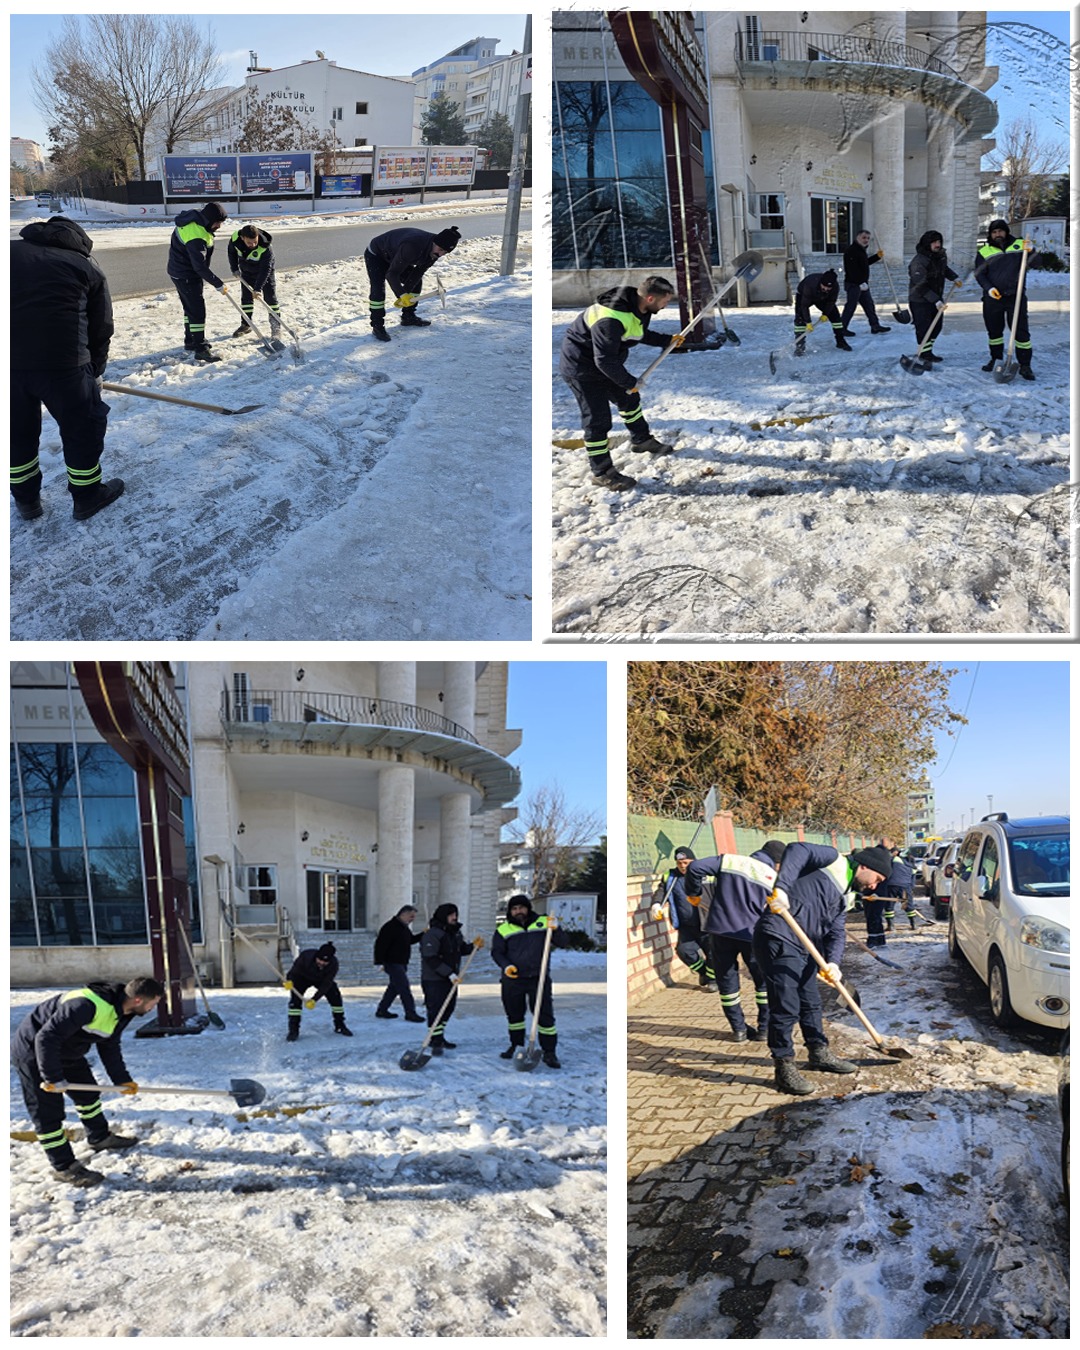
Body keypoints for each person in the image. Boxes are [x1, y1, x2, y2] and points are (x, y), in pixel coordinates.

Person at [754, 842, 893, 1094]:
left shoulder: (845, 894)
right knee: (786, 1006)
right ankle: (783, 1066)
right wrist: (782, 889)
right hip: (779, 936)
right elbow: (796, 849)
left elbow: (837, 932)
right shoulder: (832, 859)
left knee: (811, 1002)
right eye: (877, 878)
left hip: (807, 947)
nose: (875, 885)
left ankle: (818, 1052)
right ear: (865, 866)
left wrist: (833, 962)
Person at [10, 215, 123, 522]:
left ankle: (26, 501)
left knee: (16, 432)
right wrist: (95, 370)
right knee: (82, 429)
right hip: (64, 367)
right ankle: (87, 497)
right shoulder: (86, 267)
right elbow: (101, 328)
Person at [10, 976, 165, 1187]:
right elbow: (46, 1038)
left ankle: (99, 1137)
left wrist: (122, 1080)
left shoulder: (122, 1010)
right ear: (138, 1000)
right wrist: (53, 1078)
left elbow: (109, 1045)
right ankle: (64, 1167)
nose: (152, 1009)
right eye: (153, 1004)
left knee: (88, 1095)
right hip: (34, 1053)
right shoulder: (85, 1005)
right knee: (48, 1113)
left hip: (67, 1051)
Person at [559, 275, 683, 491]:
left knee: (629, 399)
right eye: (665, 301)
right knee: (597, 421)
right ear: (651, 298)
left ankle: (641, 440)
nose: (666, 306)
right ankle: (602, 472)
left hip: (605, 363)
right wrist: (628, 381)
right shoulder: (610, 319)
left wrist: (666, 340)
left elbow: (636, 332)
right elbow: (604, 359)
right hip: (582, 369)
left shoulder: (638, 307)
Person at [685, 841, 786, 1042]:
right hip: (753, 934)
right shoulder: (773, 877)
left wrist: (693, 893)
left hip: (721, 931)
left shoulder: (731, 861)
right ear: (777, 862)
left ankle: (738, 1030)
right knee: (763, 981)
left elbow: (695, 867)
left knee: (727, 980)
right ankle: (764, 1029)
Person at [492, 895, 569, 1068]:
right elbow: (497, 952)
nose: (518, 911)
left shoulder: (543, 923)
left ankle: (549, 1052)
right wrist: (506, 966)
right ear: (510, 911)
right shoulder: (503, 929)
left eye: (521, 907)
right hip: (513, 979)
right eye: (514, 908)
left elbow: (563, 942)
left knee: (545, 1017)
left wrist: (556, 929)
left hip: (538, 978)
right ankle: (516, 1046)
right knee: (515, 1016)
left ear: (528, 908)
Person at [364, 224, 460, 341]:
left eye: (445, 252)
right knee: (378, 290)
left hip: (397, 255)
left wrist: (407, 293)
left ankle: (408, 316)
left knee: (416, 283)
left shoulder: (434, 252)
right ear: (434, 243)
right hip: (377, 254)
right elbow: (392, 274)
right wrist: (401, 294)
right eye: (440, 250)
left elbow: (417, 273)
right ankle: (377, 326)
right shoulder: (412, 246)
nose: (440, 255)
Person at [166, 200, 229, 363]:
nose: (219, 227)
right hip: (186, 274)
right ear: (209, 220)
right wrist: (218, 283)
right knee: (197, 311)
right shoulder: (196, 235)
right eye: (217, 223)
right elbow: (199, 266)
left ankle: (191, 341)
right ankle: (200, 348)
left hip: (179, 271)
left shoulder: (195, 219)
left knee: (190, 308)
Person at [973, 219, 1036, 380]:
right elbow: (979, 273)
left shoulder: (1020, 245)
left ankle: (1025, 365)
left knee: (1021, 332)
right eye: (994, 232)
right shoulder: (984, 251)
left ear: (1006, 232)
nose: (997, 234)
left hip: (1016, 296)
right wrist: (990, 288)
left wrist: (1031, 252)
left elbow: (1036, 263)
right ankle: (996, 360)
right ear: (990, 234)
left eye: (1000, 231)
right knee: (994, 332)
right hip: (993, 298)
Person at [419, 903, 483, 1054]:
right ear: (443, 916)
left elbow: (460, 950)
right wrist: (448, 973)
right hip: (434, 979)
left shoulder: (455, 933)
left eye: (456, 914)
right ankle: (435, 1041)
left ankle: (439, 1036)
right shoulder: (432, 934)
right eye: (451, 915)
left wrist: (474, 946)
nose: (455, 917)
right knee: (436, 1010)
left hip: (451, 979)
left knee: (448, 1008)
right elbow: (430, 957)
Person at [650, 847, 716, 991]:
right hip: (686, 925)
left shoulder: (705, 873)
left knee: (713, 953)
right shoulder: (670, 876)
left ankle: (713, 980)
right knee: (684, 951)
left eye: (686, 862)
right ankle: (703, 972)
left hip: (707, 923)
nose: (683, 866)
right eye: (679, 863)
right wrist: (656, 904)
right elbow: (661, 891)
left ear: (694, 861)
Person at [227, 223, 283, 349]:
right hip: (246, 270)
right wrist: (234, 268)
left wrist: (257, 289)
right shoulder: (235, 239)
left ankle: (276, 328)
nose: (252, 245)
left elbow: (265, 269)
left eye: (254, 242)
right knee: (246, 298)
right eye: (249, 243)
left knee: (270, 299)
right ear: (243, 238)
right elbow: (231, 252)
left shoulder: (266, 247)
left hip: (264, 272)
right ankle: (246, 325)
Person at [907, 230, 960, 363]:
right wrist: (935, 300)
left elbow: (944, 269)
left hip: (935, 298)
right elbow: (919, 284)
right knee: (924, 328)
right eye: (934, 242)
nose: (937, 245)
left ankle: (927, 351)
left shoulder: (939, 256)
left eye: (939, 242)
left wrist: (953, 277)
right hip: (920, 299)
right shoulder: (919, 261)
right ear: (927, 244)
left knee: (936, 327)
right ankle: (925, 354)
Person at [284, 942, 352, 1040]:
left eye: (325, 962)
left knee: (335, 997)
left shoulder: (334, 964)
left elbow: (326, 984)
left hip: (321, 980)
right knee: (295, 1003)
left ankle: (340, 1025)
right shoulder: (305, 956)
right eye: (319, 960)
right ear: (316, 956)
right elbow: (293, 972)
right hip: (302, 978)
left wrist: (314, 999)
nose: (322, 963)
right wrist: (289, 981)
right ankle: (293, 1030)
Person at [373, 905, 425, 1022]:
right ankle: (410, 1013)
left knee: (394, 987)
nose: (413, 919)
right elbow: (380, 945)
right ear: (403, 914)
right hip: (392, 963)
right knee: (404, 987)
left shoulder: (404, 928)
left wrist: (423, 934)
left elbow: (411, 940)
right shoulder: (390, 927)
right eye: (411, 916)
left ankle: (382, 1010)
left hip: (401, 963)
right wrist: (379, 962)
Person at [840, 230, 890, 335]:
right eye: (864, 237)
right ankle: (842, 329)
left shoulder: (860, 250)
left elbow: (865, 263)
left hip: (862, 284)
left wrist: (877, 256)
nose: (866, 240)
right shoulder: (852, 251)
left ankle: (875, 326)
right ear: (857, 237)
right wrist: (860, 283)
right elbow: (851, 269)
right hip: (854, 284)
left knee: (869, 305)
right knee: (851, 306)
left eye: (868, 238)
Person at [793, 269, 852, 355]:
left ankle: (840, 341)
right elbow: (804, 306)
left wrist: (825, 314)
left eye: (829, 288)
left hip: (823, 298)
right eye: (824, 286)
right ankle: (800, 346)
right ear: (821, 282)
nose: (826, 289)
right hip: (803, 296)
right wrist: (808, 322)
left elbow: (831, 302)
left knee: (836, 318)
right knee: (800, 319)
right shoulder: (810, 284)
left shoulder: (834, 287)